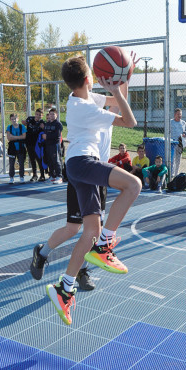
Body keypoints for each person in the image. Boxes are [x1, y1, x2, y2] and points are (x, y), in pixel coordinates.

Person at [45, 55, 140, 326]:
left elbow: (116, 99)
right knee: (134, 185)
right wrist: (115, 88)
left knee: (89, 233)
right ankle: (105, 245)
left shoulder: (84, 99)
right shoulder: (84, 108)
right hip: (84, 162)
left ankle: (64, 289)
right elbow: (129, 121)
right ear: (89, 79)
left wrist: (123, 81)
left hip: (78, 165)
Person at [42, 107, 64, 183]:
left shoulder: (58, 124)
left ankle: (59, 176)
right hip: (48, 145)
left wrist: (47, 136)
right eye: (50, 114)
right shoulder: (47, 124)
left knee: (56, 160)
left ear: (56, 115)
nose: (51, 116)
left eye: (53, 114)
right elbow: (45, 133)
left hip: (55, 145)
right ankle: (52, 176)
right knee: (50, 161)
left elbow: (57, 135)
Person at [5, 113, 27, 183]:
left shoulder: (22, 127)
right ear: (10, 120)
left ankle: (21, 176)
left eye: (15, 119)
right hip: (12, 147)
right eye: (12, 119)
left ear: (18, 119)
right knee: (11, 163)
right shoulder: (9, 127)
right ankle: (11, 177)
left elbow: (24, 137)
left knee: (21, 162)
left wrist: (13, 137)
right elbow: (9, 138)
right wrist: (18, 137)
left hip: (20, 147)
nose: (14, 120)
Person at [25, 107, 45, 181]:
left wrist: (43, 128)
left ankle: (42, 175)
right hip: (29, 143)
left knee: (39, 159)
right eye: (37, 114)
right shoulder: (30, 119)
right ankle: (34, 175)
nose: (38, 116)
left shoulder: (42, 123)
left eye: (40, 115)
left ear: (42, 116)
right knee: (32, 159)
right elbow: (25, 123)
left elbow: (44, 132)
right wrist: (24, 122)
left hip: (37, 145)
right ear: (35, 114)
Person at [169, 108, 186, 176]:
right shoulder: (170, 122)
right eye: (178, 114)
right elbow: (167, 132)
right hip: (172, 143)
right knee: (172, 159)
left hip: (180, 144)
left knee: (178, 159)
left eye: (180, 114)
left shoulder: (183, 123)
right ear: (174, 115)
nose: (179, 115)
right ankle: (172, 173)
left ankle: (176, 173)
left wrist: (184, 135)